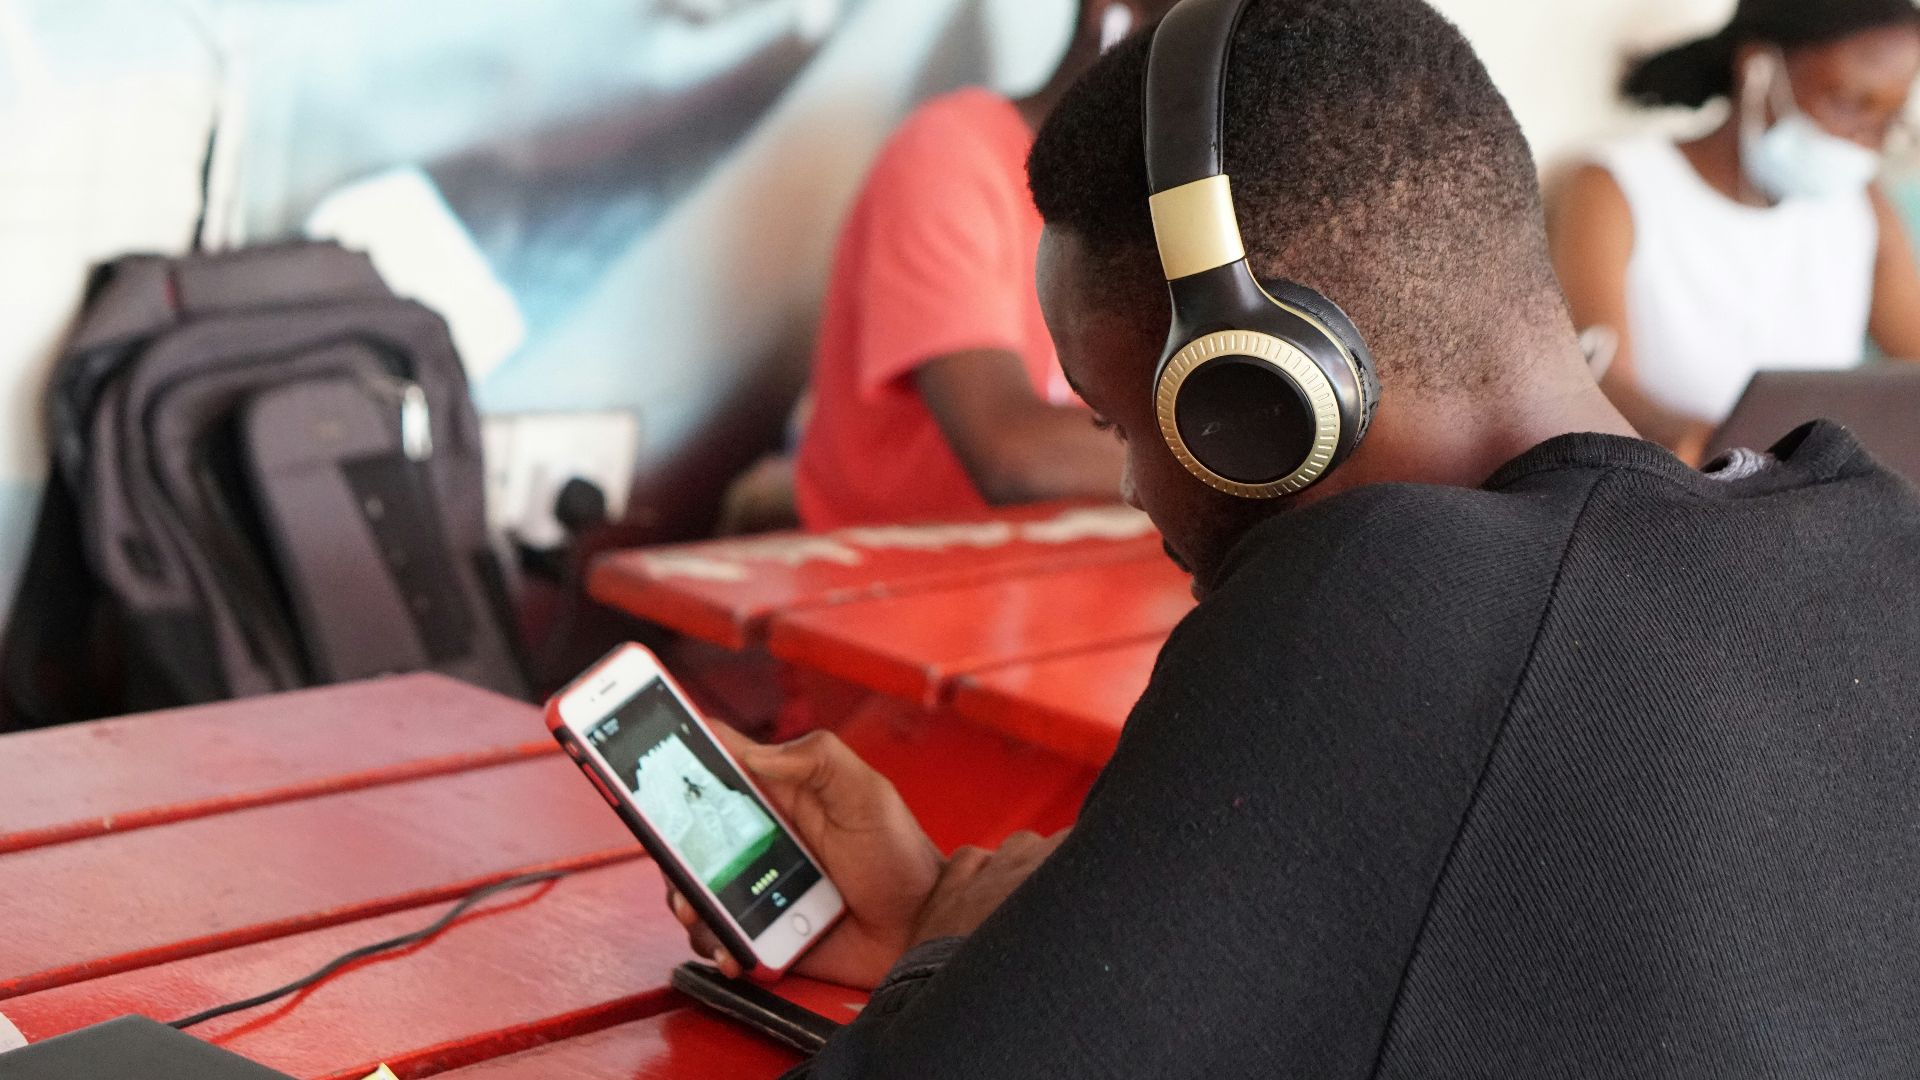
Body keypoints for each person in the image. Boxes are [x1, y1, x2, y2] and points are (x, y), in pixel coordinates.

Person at [672, 0, 1920, 1075]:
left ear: (1261, 394)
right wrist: (1001, 926)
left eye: (1122, 422)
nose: (1133, 488)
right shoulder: (1871, 536)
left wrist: (951, 946)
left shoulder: (1376, 602)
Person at [791, 1, 1178, 530]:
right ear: (1112, 13)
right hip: (900, 586)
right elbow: (1012, 453)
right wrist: (1233, 459)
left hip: (1057, 577)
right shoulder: (950, 149)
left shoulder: (1163, 196)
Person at [1552, 0, 1920, 464]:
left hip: (1815, 499)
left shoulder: (1864, 206)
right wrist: (1719, 451)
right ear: (1758, 67)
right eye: (1848, 103)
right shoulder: (1615, 187)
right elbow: (1599, 381)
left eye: (1887, 120)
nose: (1864, 142)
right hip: (1680, 490)